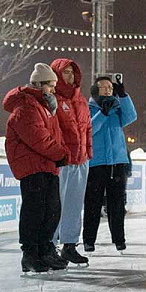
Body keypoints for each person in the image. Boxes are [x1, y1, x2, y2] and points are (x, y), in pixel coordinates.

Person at [4, 63, 70, 273]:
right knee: (35, 211)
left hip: (47, 165)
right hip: (33, 167)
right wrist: (61, 154)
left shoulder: (45, 107)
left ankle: (45, 250)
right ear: (39, 84)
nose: (53, 90)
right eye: (50, 85)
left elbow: (53, 136)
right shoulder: (26, 107)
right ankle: (31, 254)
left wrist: (59, 153)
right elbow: (38, 139)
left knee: (51, 211)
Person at [84, 75, 136, 253]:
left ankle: (119, 239)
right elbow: (88, 131)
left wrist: (123, 95)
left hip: (117, 161)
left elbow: (130, 117)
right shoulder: (88, 108)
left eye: (110, 87)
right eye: (104, 87)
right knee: (93, 203)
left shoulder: (117, 107)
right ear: (95, 90)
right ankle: (88, 239)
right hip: (96, 163)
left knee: (117, 204)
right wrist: (102, 114)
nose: (108, 90)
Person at [49, 59, 93, 266]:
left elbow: (88, 129)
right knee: (55, 205)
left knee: (74, 206)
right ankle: (50, 245)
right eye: (65, 72)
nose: (69, 76)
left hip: (80, 160)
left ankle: (69, 245)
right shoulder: (52, 99)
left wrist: (88, 152)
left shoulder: (81, 99)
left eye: (72, 72)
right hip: (61, 161)